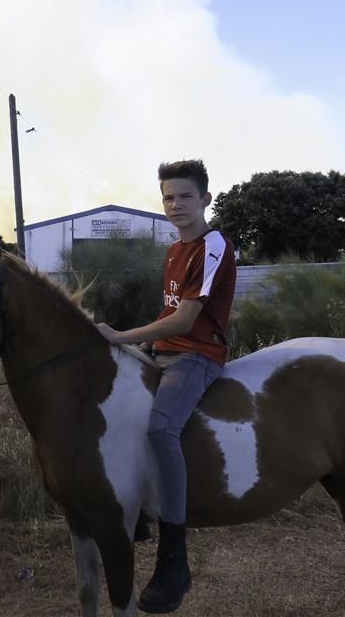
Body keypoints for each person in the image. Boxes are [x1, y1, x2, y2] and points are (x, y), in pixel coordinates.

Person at [96, 159, 236, 614]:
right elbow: (166, 318)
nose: (176, 205)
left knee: (160, 429)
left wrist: (120, 336)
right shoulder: (175, 249)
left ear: (206, 200)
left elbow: (184, 319)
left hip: (197, 357)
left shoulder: (212, 246)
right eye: (168, 197)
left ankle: (174, 557)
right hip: (165, 351)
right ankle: (135, 513)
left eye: (185, 196)